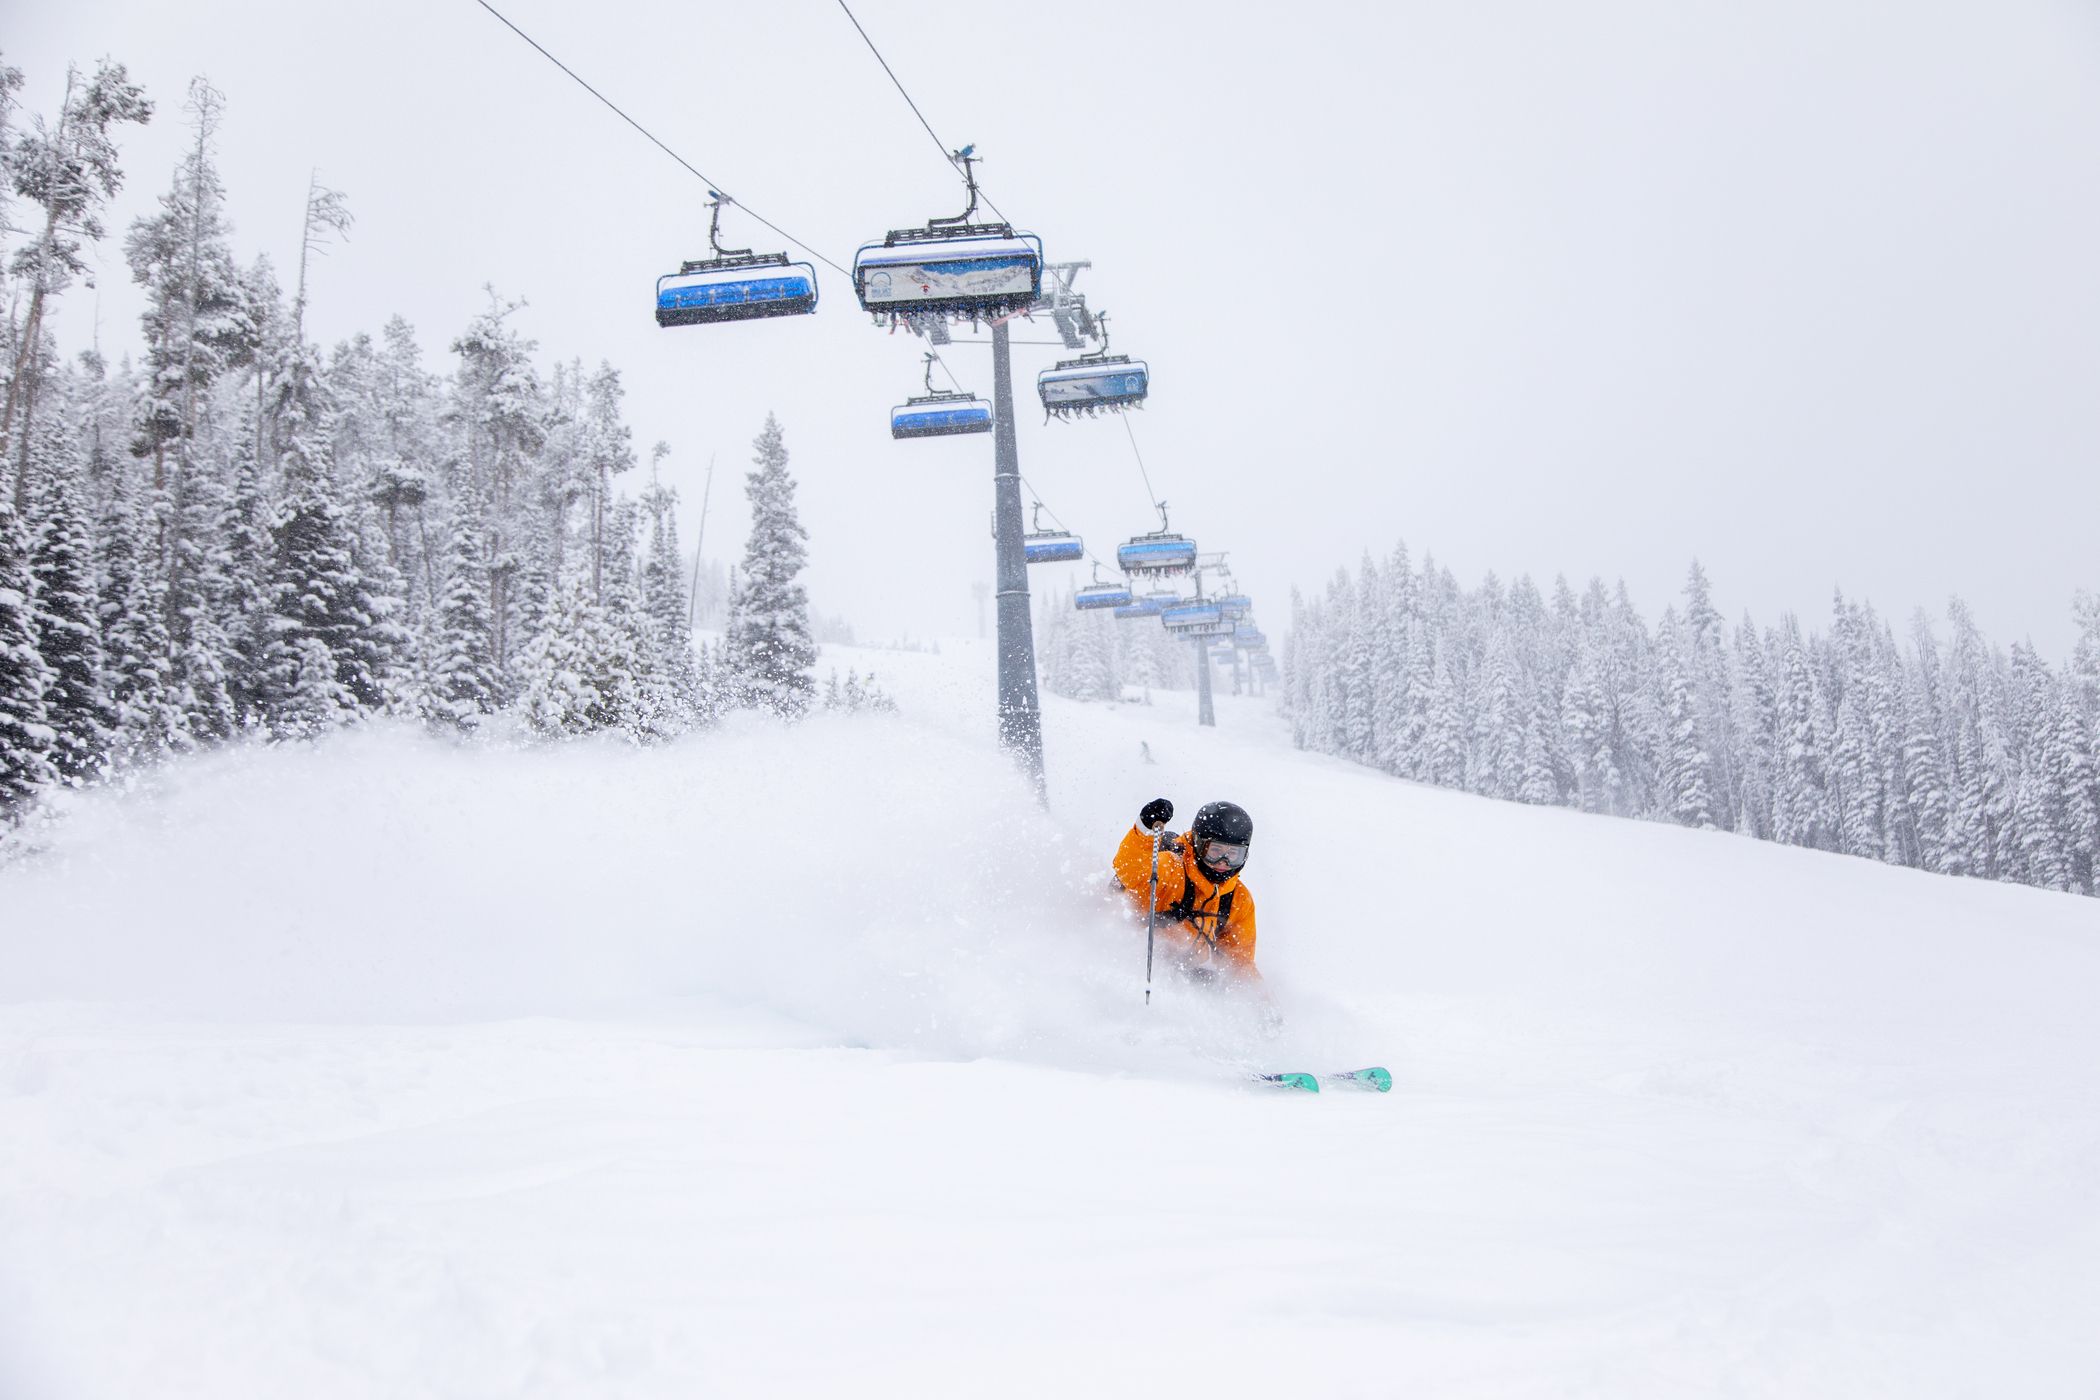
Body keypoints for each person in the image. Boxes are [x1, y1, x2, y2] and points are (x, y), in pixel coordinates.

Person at [1111, 797, 1258, 981]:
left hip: (1185, 971)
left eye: (1233, 854)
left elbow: (1240, 961)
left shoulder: (1238, 899)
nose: (1223, 862)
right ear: (1199, 843)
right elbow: (1129, 870)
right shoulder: (1172, 867)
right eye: (1215, 850)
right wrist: (1144, 827)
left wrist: (1258, 1001)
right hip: (1136, 959)